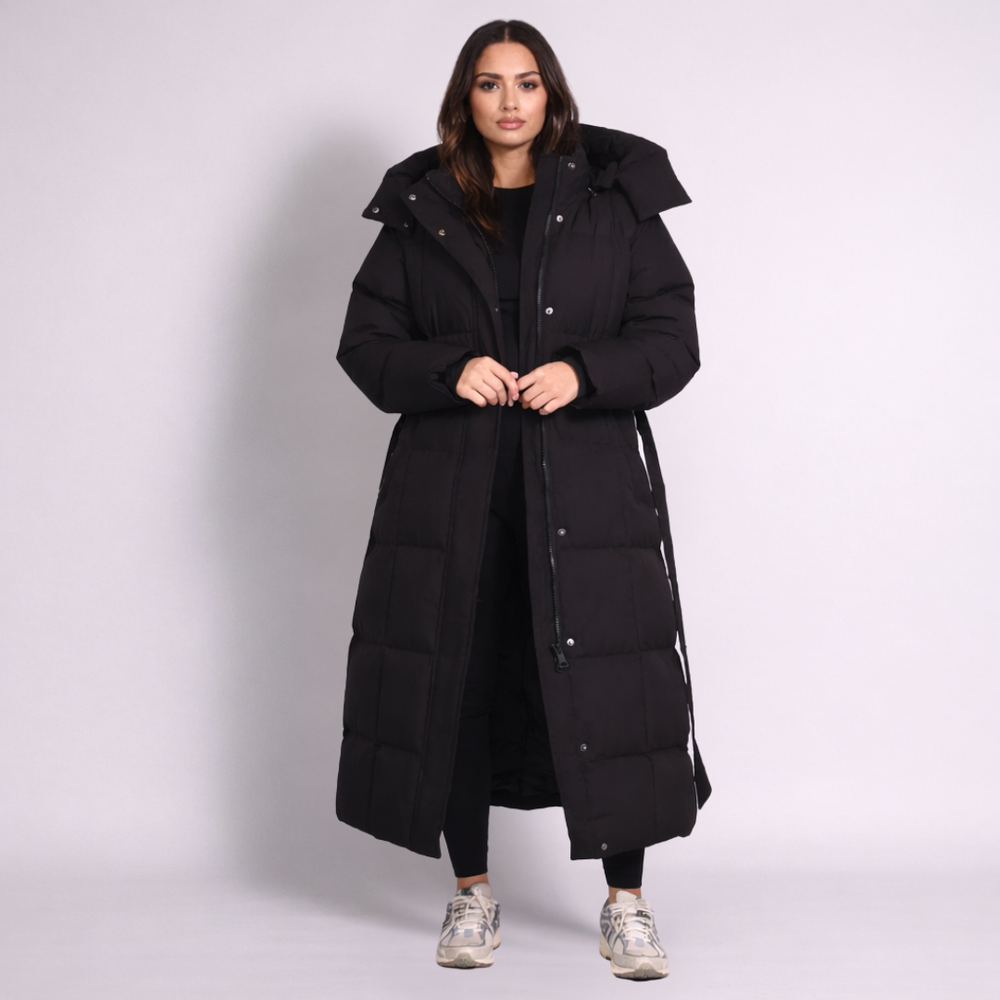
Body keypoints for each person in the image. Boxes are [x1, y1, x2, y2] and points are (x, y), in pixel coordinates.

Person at [335, 19, 710, 980]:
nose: (510, 101)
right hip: (453, 493)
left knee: (614, 686)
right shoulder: (422, 206)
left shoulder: (613, 200)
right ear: (465, 98)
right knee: (456, 678)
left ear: (553, 94)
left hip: (587, 490)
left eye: (528, 82)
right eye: (490, 83)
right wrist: (446, 368)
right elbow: (366, 345)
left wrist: (584, 371)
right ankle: (472, 894)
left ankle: (627, 906)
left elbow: (672, 337)